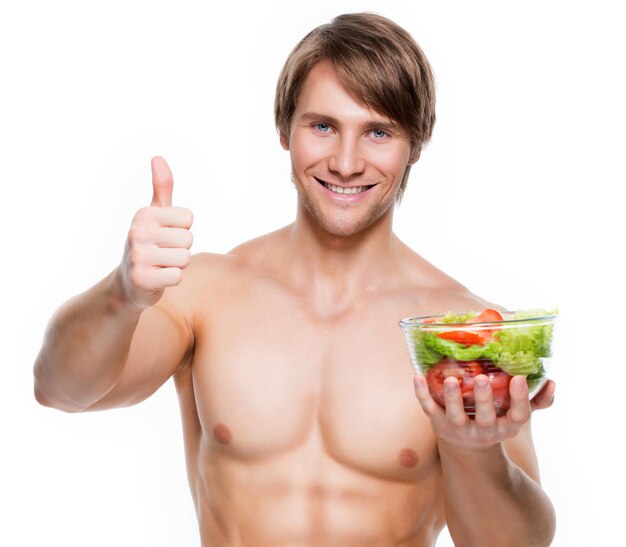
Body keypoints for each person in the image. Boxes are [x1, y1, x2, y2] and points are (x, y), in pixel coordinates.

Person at [34, 12, 556, 547]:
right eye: (323, 126)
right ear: (285, 130)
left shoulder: (458, 331)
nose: (346, 162)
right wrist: (121, 294)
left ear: (414, 147)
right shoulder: (206, 294)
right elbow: (59, 390)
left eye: (377, 132)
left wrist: (473, 450)